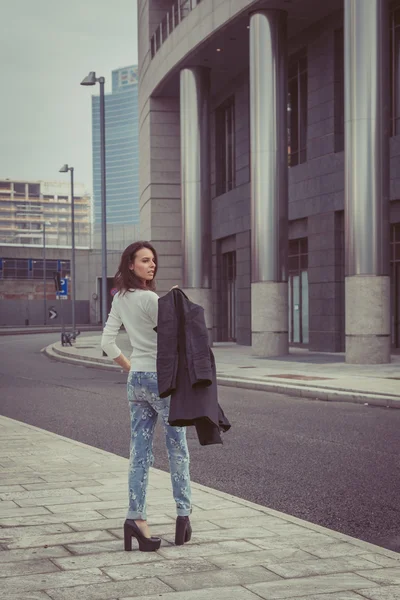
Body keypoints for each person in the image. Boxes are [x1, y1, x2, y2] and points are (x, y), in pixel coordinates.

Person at [101, 241, 192, 552]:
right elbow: (176, 336)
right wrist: (176, 303)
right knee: (177, 448)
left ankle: (135, 519)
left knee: (139, 453)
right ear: (130, 264)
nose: (151, 265)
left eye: (153, 260)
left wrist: (130, 367)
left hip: (137, 380)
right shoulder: (152, 299)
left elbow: (107, 343)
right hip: (161, 382)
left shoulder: (120, 299)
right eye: (144, 261)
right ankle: (183, 516)